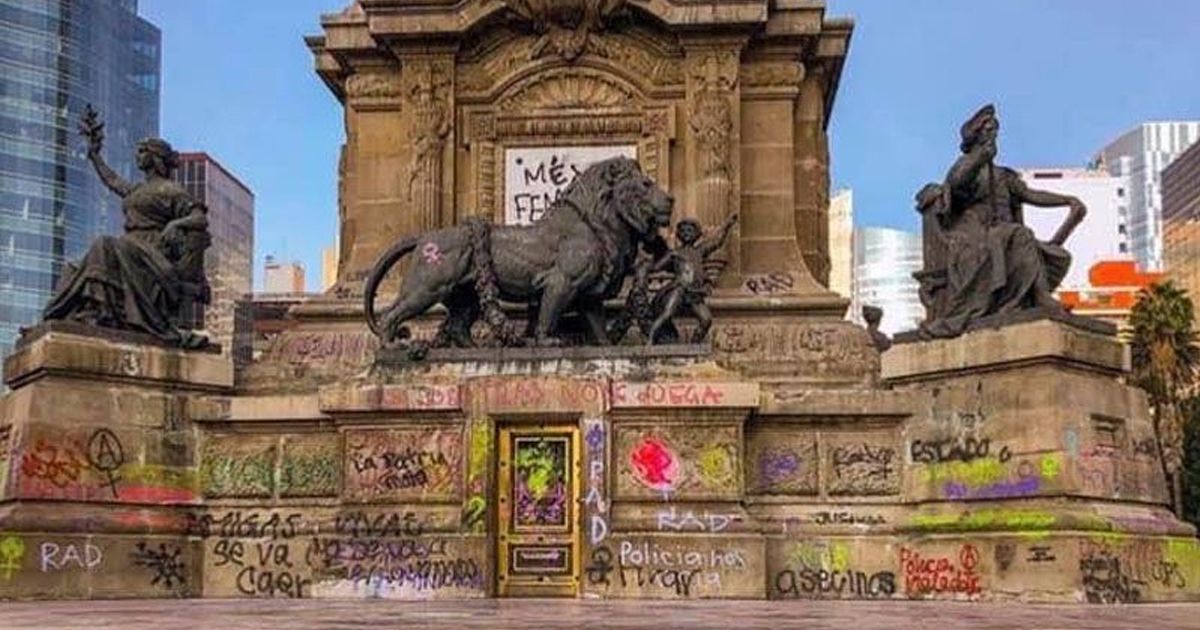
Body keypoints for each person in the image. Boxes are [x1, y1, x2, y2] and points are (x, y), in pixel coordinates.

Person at [42, 106, 211, 347]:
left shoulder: (172, 190)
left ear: (154, 157)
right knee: (72, 267)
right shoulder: (138, 190)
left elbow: (200, 219)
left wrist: (176, 223)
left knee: (104, 245)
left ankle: (101, 312)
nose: (137, 156)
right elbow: (112, 180)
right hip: (130, 249)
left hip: (152, 253)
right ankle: (81, 316)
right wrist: (95, 155)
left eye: (142, 152)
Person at [919, 105, 1086, 339]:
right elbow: (954, 185)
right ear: (976, 136)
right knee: (1018, 235)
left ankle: (1023, 298)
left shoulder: (1003, 175)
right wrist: (978, 159)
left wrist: (1067, 201)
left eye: (995, 131)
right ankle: (1040, 297)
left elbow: (1031, 195)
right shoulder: (967, 167)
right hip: (971, 237)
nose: (993, 135)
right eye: (988, 131)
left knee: (1032, 244)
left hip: (1003, 237)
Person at [646, 214, 737, 344]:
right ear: (678, 234)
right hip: (680, 288)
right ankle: (651, 338)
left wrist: (727, 225)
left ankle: (695, 343)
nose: (686, 233)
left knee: (706, 319)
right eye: (683, 231)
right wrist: (646, 265)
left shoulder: (700, 251)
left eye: (690, 231)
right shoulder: (675, 253)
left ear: (697, 234)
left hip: (695, 292)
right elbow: (656, 267)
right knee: (667, 314)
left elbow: (717, 241)